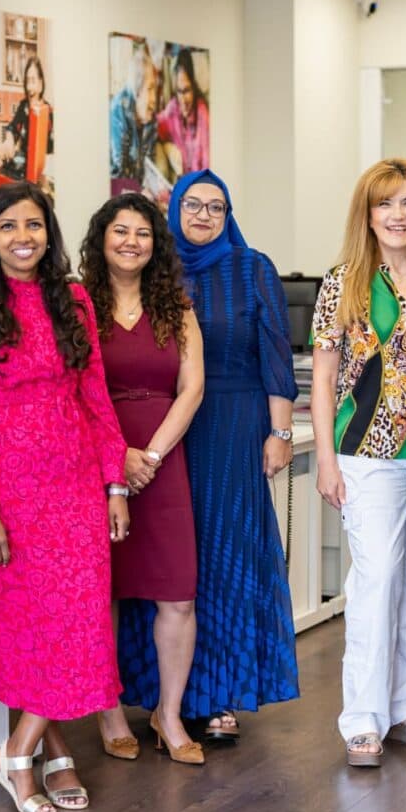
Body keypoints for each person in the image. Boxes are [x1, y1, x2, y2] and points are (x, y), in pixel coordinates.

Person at [0, 182, 129, 812]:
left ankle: (16, 751)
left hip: (74, 483)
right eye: (8, 228)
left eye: (35, 225)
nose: (23, 237)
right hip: (12, 491)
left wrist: (114, 482)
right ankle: (47, 756)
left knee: (78, 621)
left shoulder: (72, 300)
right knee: (28, 626)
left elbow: (97, 397)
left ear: (49, 234)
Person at [311, 158, 406, 768]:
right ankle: (362, 719)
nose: (397, 215)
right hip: (365, 451)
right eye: (385, 204)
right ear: (368, 214)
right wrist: (326, 462)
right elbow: (324, 378)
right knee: (377, 580)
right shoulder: (344, 281)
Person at [163, 168, 299, 739]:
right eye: (191, 205)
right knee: (168, 563)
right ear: (172, 210)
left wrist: (280, 432)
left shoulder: (252, 268)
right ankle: (159, 692)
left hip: (233, 423)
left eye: (215, 207)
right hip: (166, 428)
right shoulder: (154, 268)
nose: (202, 216)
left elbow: (275, 355)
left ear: (228, 215)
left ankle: (218, 694)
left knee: (224, 558)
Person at [79, 192, 205, 766]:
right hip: (93, 462)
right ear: (101, 239)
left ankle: (168, 714)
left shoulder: (175, 304)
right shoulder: (76, 304)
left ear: (156, 245)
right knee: (101, 591)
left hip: (164, 459)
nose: (131, 242)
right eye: (120, 231)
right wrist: (116, 460)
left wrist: (147, 458)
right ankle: (109, 713)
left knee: (176, 595)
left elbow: (192, 388)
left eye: (143, 233)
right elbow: (74, 391)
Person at [0, 56, 54, 187]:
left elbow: (54, 150)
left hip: (43, 174)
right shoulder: (24, 106)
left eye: (33, 81)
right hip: (22, 170)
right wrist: (9, 138)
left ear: (40, 84)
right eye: (27, 81)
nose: (29, 87)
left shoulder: (49, 112)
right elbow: (12, 127)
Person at [109, 43, 160, 183]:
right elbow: (118, 173)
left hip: (137, 193)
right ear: (137, 90)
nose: (154, 99)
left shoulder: (151, 118)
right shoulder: (118, 111)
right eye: (150, 89)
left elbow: (150, 168)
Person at [157, 49, 209, 175]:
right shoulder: (173, 107)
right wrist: (168, 147)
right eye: (179, 91)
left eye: (186, 91)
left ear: (193, 88)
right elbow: (155, 127)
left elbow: (207, 166)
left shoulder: (202, 114)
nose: (182, 99)